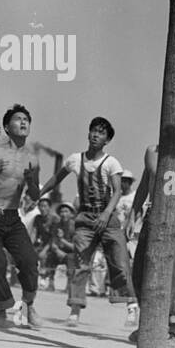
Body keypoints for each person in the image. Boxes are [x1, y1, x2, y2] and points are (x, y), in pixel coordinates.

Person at [38, 116, 135, 327]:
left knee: (119, 261)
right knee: (81, 263)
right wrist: (40, 192)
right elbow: (56, 178)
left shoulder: (111, 162)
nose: (95, 135)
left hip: (108, 217)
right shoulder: (75, 159)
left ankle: (131, 306)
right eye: (93, 130)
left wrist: (106, 213)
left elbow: (118, 191)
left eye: (100, 133)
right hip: (85, 217)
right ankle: (74, 310)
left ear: (107, 140)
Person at [129, 113, 175, 348]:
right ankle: (149, 323)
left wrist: (171, 207)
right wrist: (133, 212)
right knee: (139, 270)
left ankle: (173, 333)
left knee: (172, 274)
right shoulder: (152, 151)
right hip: (151, 216)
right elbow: (144, 184)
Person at [0, 104, 44, 328]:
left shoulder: (33, 159)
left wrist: (32, 181)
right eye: (18, 119)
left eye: (27, 119)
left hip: (13, 217)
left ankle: (28, 305)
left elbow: (35, 195)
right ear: (7, 126)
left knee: (30, 261)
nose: (23, 122)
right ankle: (1, 310)